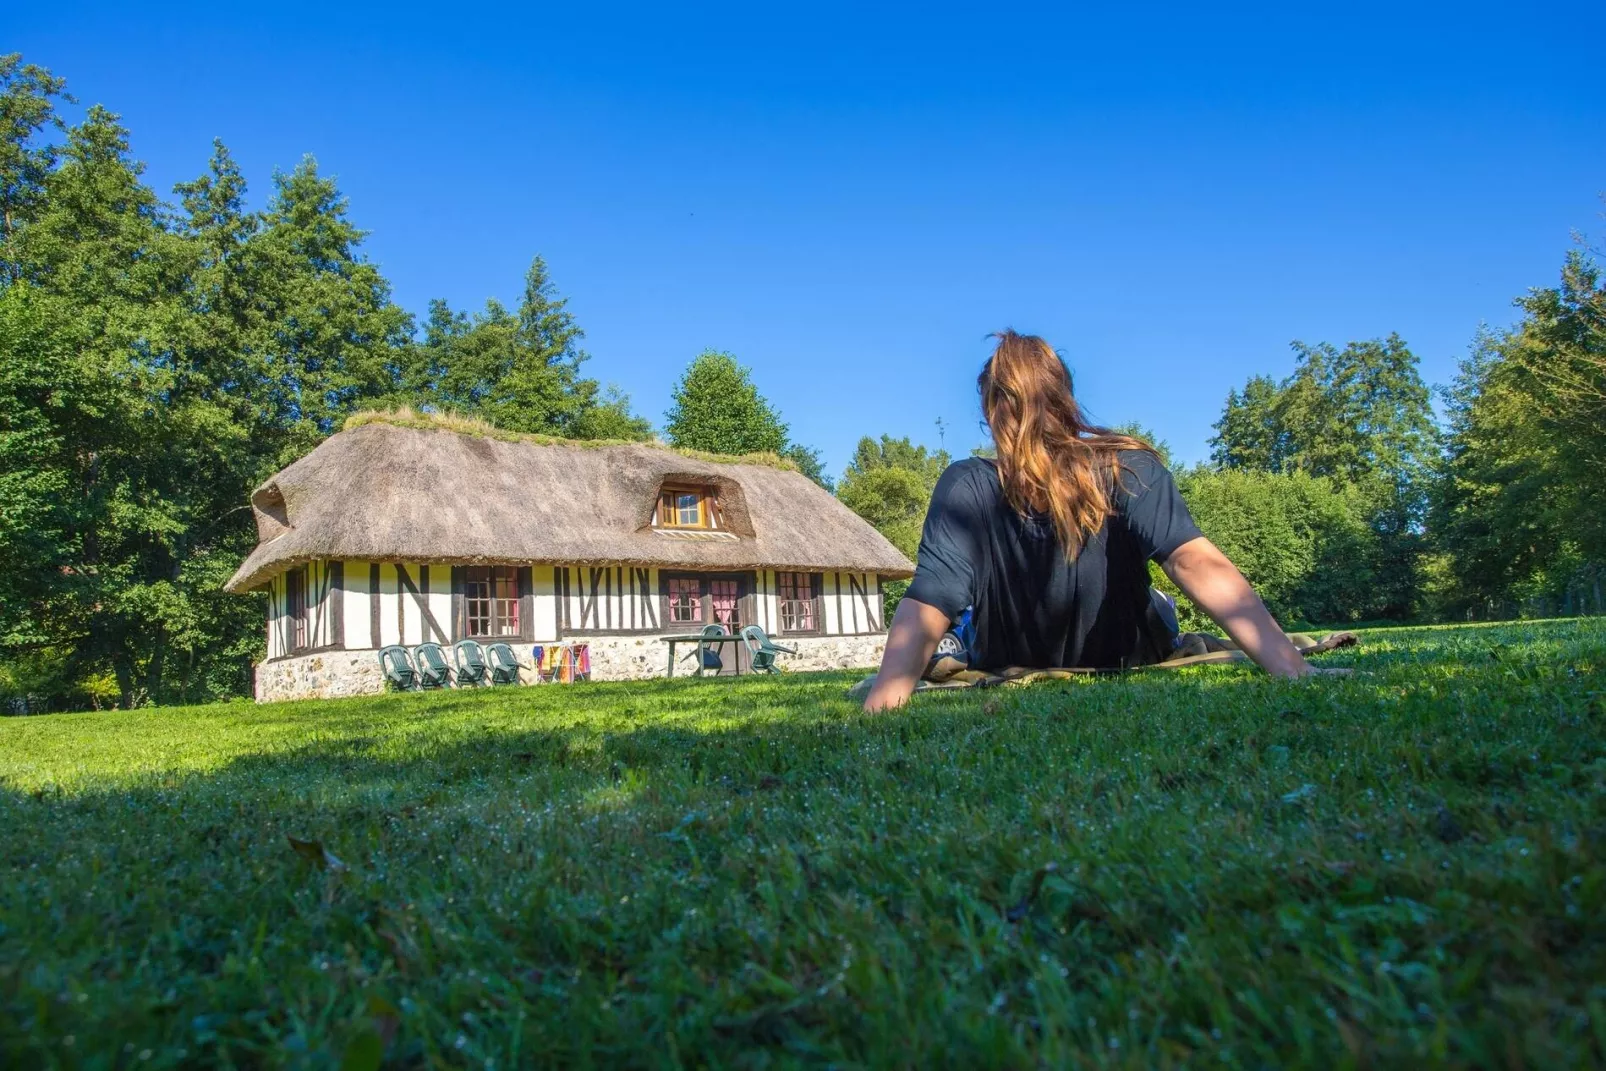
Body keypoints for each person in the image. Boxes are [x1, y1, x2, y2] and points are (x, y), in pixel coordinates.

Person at [862, 330, 1321, 712]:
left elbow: (931, 598)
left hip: (1007, 654)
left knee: (963, 620)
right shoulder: (1128, 467)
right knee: (1160, 606)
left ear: (989, 410)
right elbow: (1192, 561)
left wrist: (883, 699)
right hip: (1130, 651)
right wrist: (1291, 666)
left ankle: (958, 642)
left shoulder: (964, 484)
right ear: (1064, 397)